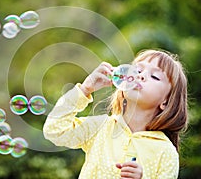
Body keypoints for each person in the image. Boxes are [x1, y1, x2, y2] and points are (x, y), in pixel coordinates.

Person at [43, 49, 188, 179]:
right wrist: (85, 89)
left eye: (155, 76)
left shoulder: (166, 152)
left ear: (166, 102)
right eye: (137, 70)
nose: (141, 76)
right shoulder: (100, 128)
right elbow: (54, 130)